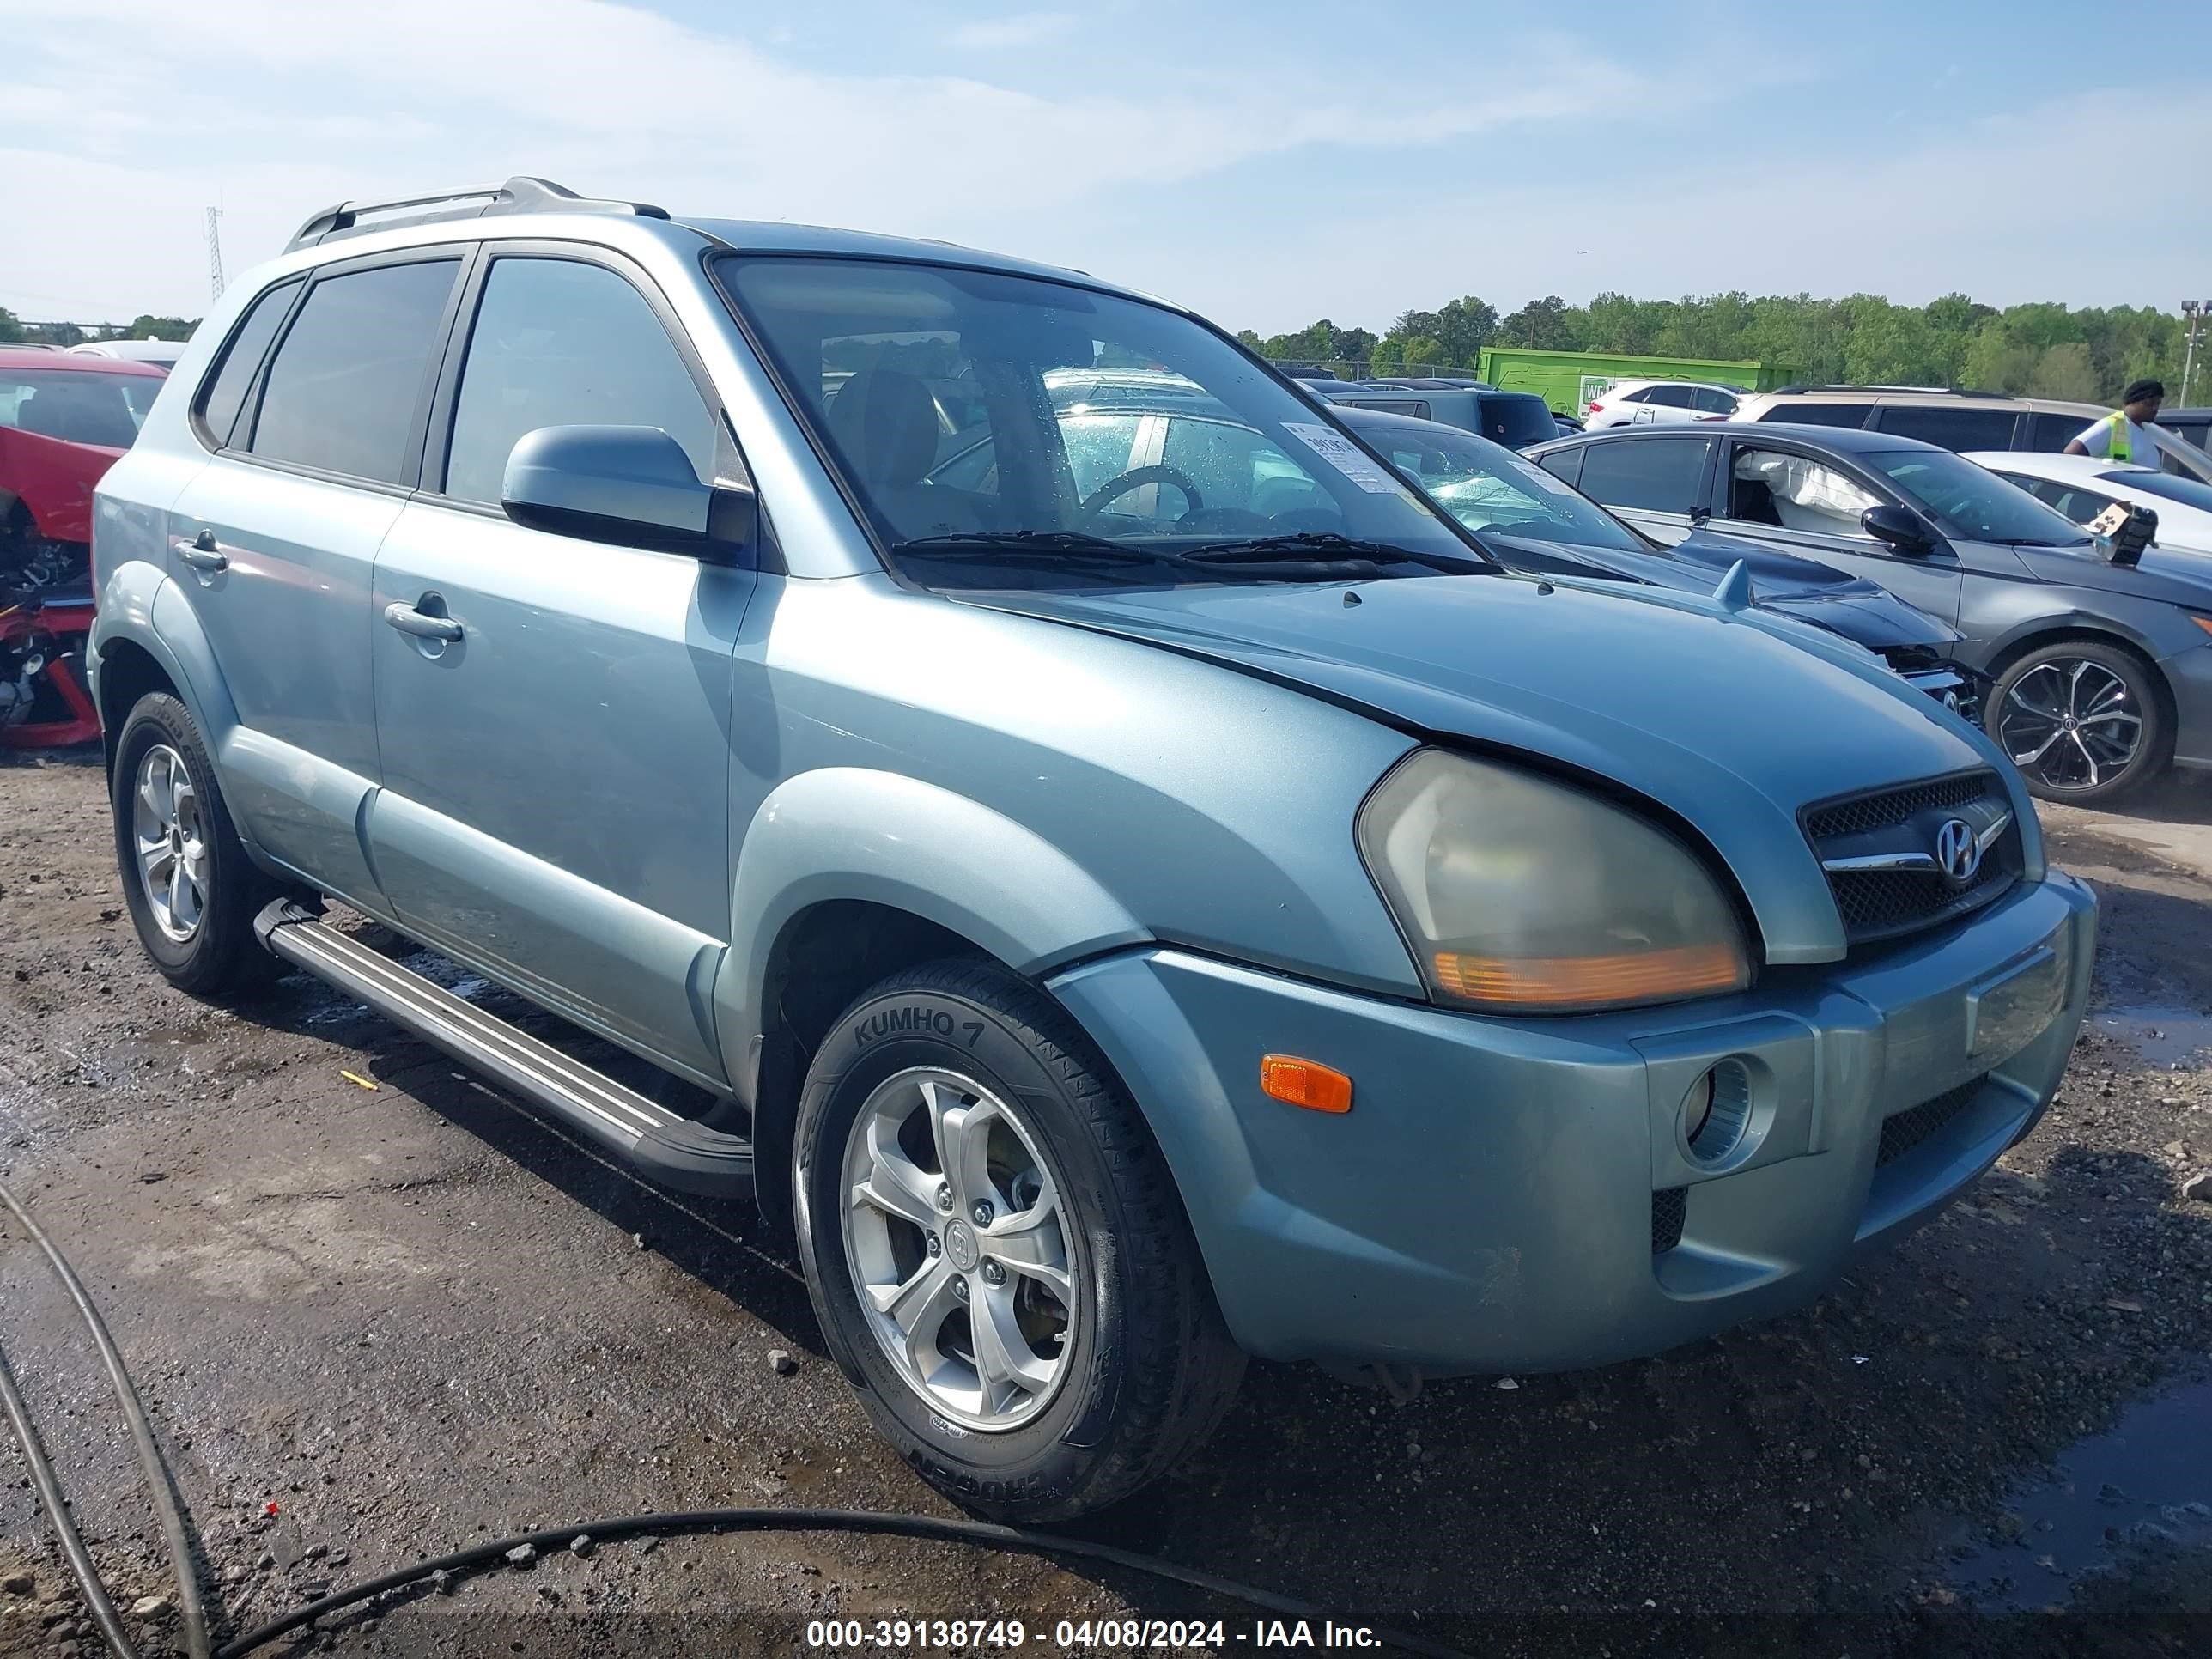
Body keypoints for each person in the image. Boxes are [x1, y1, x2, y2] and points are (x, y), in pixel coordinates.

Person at [2065, 379, 2164, 464]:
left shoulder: (2145, 430)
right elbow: (2072, 452)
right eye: (2150, 403)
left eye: (2158, 404)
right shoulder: (2113, 424)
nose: (2155, 408)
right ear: (2133, 401)